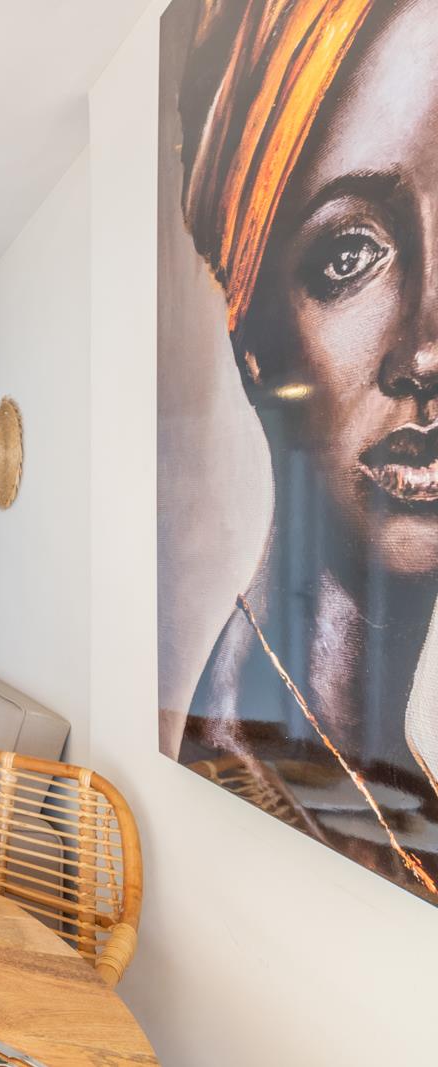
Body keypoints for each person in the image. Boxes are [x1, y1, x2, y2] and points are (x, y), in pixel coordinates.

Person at [175, 0, 438, 900]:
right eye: (351, 253)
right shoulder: (249, 771)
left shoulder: (372, 777)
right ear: (254, 340)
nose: (426, 352)